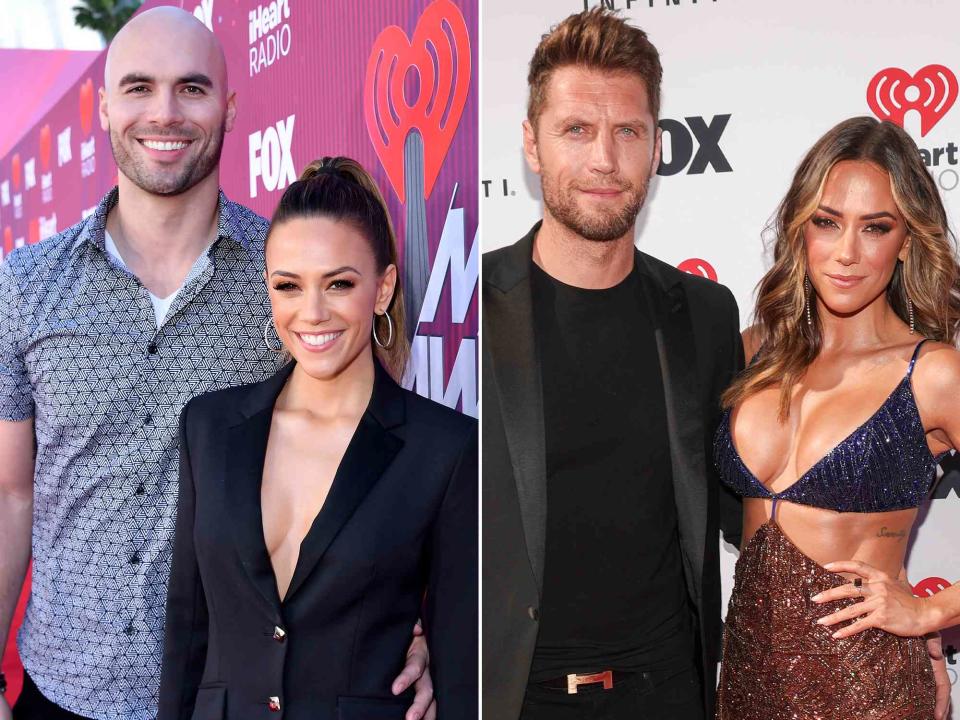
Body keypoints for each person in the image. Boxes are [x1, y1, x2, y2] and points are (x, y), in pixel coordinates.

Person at [0, 9, 434, 720]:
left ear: (229, 109)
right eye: (139, 87)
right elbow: (10, 495)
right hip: (62, 689)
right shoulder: (27, 285)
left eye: (191, 88)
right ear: (105, 107)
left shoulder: (289, 283)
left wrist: (417, 629)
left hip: (232, 693)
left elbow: (376, 461)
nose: (164, 113)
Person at [482, 9, 744, 719]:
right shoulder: (468, 312)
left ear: (656, 146)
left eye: (627, 131)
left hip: (670, 696)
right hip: (516, 700)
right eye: (576, 130)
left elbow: (746, 510)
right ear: (532, 146)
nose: (605, 159)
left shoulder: (707, 314)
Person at [157, 157, 477, 720]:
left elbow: (461, 654)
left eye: (339, 283)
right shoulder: (208, 427)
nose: (312, 312)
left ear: (383, 289)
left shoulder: (444, 450)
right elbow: (188, 629)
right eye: (289, 285)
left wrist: (430, 653)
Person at [714, 116, 960, 719]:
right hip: (744, 686)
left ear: (906, 240)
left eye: (875, 228)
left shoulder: (932, 373)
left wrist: (931, 612)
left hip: (867, 690)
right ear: (801, 228)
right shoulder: (752, 354)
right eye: (827, 222)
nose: (847, 253)